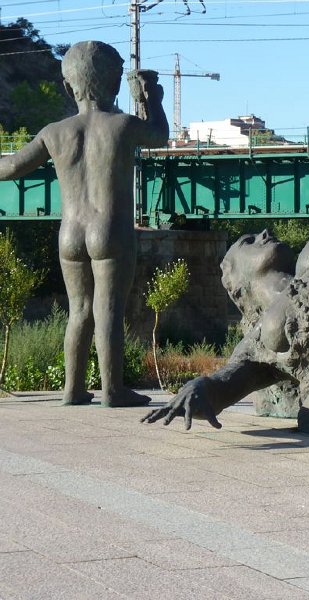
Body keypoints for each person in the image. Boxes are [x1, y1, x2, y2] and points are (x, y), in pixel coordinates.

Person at [0, 41, 169, 406]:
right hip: (110, 229)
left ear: (67, 85)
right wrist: (152, 96)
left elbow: (11, 167)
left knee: (79, 311)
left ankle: (73, 389)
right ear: (115, 85)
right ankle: (113, 390)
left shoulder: (53, 132)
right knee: (108, 309)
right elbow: (159, 135)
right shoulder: (122, 125)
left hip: (70, 234)